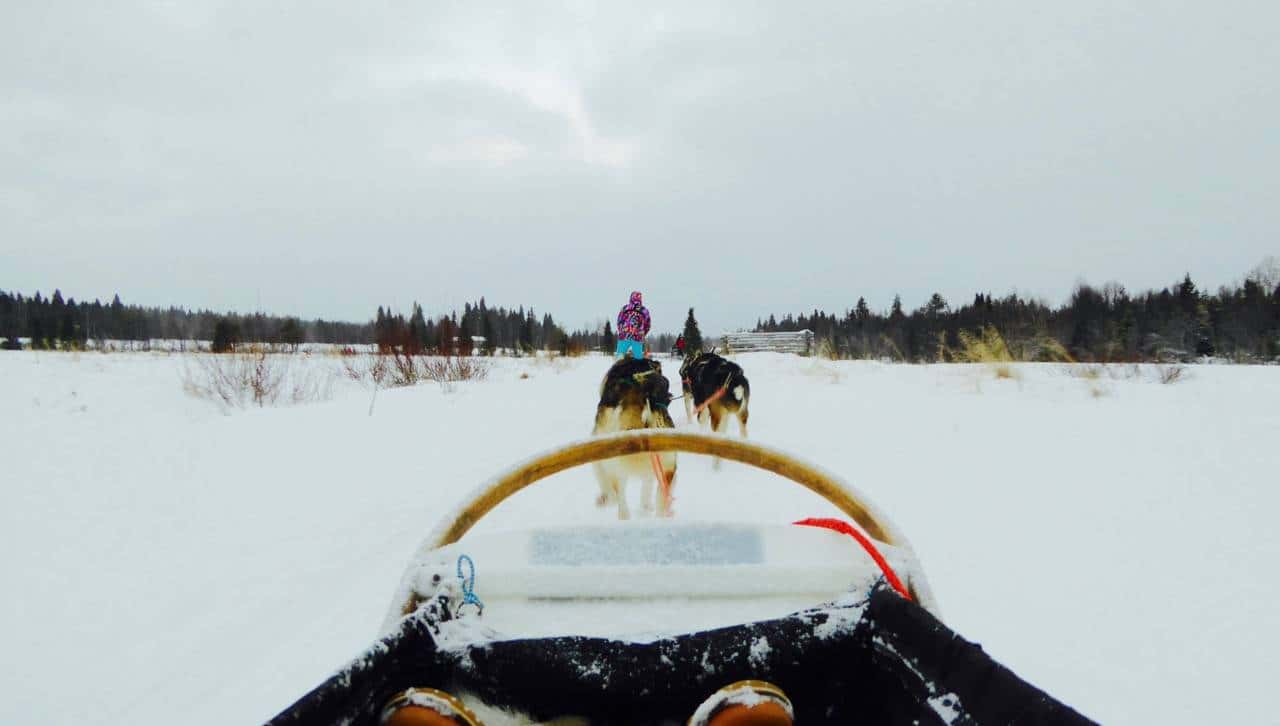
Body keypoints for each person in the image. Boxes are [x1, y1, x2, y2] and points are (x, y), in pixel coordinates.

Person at [615, 290, 650, 359]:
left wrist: (622, 331)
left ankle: (617, 368)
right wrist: (643, 334)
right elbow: (647, 325)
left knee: (619, 358)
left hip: (624, 336)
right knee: (638, 359)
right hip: (637, 337)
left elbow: (619, 321)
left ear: (631, 298)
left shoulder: (625, 308)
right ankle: (638, 368)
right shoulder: (644, 310)